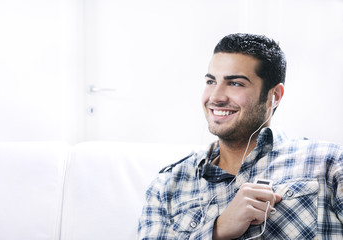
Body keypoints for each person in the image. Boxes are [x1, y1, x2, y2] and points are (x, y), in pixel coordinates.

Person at [137, 33, 343, 239]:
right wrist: (217, 231)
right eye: (211, 81)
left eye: (235, 83)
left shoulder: (330, 163)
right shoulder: (167, 186)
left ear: (275, 96)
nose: (216, 97)